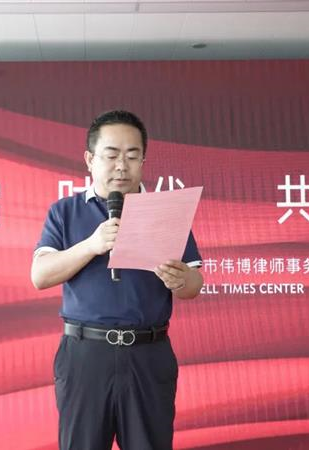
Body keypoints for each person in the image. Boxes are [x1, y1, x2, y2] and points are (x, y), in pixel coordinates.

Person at [31, 110, 203, 450]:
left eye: (132, 156)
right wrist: (91, 245)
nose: (122, 166)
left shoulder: (164, 213)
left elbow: (193, 285)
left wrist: (181, 279)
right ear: (90, 160)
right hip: (85, 355)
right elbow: (40, 275)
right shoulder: (65, 211)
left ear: (143, 161)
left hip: (148, 354)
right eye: (111, 155)